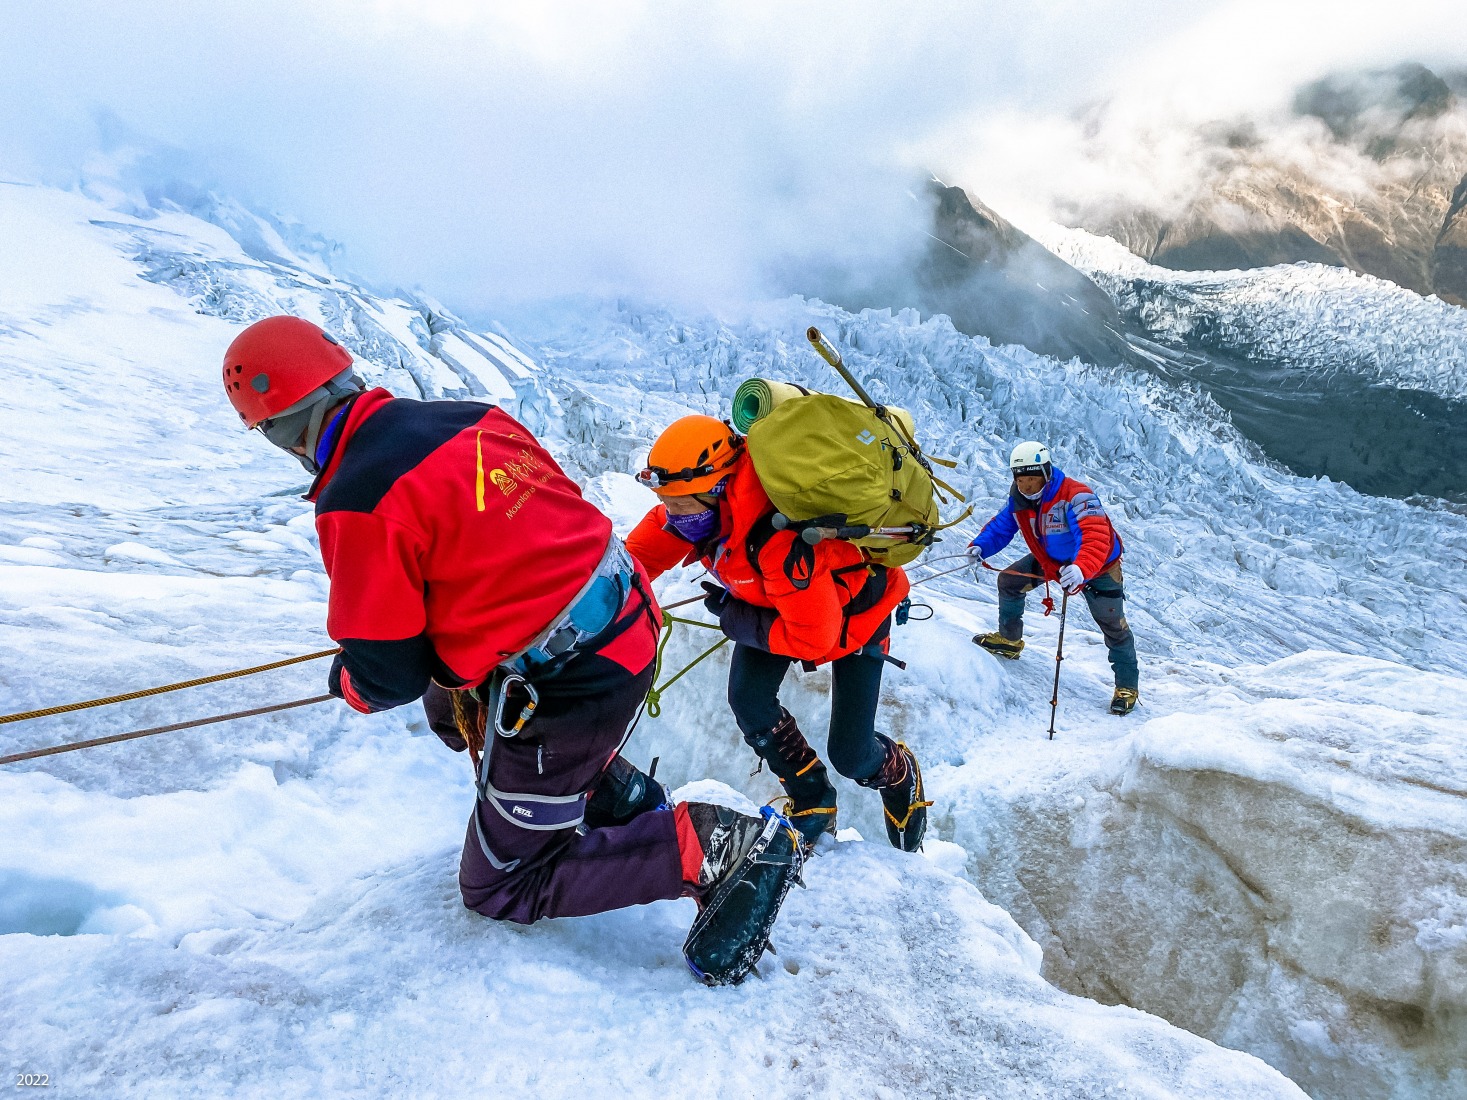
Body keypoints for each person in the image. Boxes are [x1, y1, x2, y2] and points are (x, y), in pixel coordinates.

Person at [220, 315, 783, 932]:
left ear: (278, 429)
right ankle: (624, 805)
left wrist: (352, 681)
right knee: (473, 717)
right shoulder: (468, 418)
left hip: (573, 680)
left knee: (502, 886)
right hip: (622, 623)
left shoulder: (358, 498)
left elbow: (386, 674)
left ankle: (710, 847)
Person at [625, 414, 930, 852]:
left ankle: (899, 772)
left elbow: (814, 640)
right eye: (669, 503)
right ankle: (814, 802)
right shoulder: (700, 513)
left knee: (850, 752)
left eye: (681, 505)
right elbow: (631, 565)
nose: (673, 516)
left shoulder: (778, 541)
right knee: (748, 698)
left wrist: (735, 619)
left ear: (718, 488)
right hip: (779, 606)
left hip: (856, 615)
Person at [967, 441, 1139, 715]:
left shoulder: (1077, 495)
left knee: (1113, 625)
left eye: (1033, 480)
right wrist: (980, 546)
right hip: (1053, 561)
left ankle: (1127, 687)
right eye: (1021, 480)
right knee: (1010, 582)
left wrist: (1082, 568)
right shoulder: (1020, 499)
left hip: (1099, 568)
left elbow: (1095, 535)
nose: (1027, 486)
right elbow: (1002, 526)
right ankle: (1010, 640)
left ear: (1046, 473)